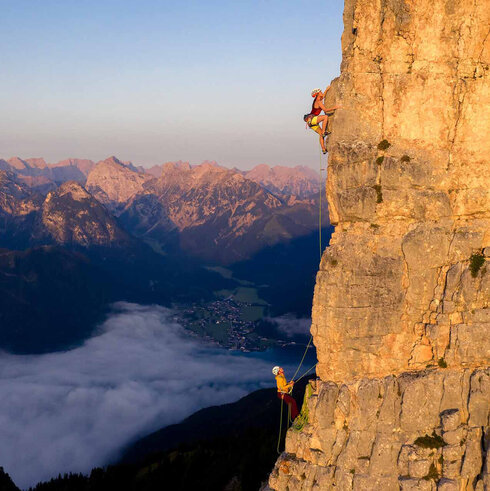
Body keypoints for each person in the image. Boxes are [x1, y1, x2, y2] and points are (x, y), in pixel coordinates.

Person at [304, 86, 341, 154]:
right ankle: (324, 132)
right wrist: (335, 107)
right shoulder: (318, 101)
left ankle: (323, 149)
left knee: (320, 134)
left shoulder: (317, 100)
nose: (321, 92)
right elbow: (325, 110)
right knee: (325, 117)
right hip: (312, 119)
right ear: (317, 94)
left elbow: (323, 96)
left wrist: (326, 90)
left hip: (310, 123)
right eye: (320, 91)